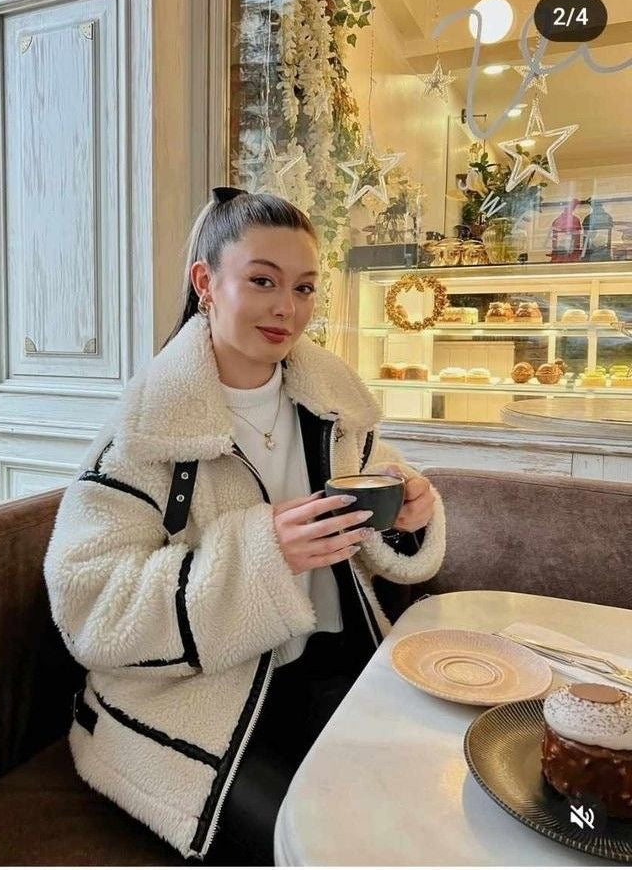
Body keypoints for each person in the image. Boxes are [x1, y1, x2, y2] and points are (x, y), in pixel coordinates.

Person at [43, 187, 446, 865]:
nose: (287, 307)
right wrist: (264, 553)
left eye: (304, 287)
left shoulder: (333, 405)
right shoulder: (145, 433)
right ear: (206, 282)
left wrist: (411, 512)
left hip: (329, 666)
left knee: (425, 807)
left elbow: (384, 502)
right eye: (263, 280)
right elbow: (90, 604)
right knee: (316, 848)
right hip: (194, 699)